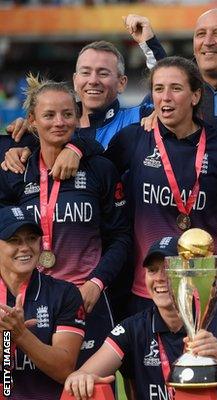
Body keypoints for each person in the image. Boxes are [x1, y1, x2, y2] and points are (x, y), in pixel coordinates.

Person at [0, 76, 131, 365]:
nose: (59, 122)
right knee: (26, 385)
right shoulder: (15, 169)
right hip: (30, 299)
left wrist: (96, 283)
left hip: (87, 296)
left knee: (91, 386)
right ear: (32, 121)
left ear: (77, 117)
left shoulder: (100, 169)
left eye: (67, 114)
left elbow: (120, 237)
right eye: (49, 115)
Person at [102, 56, 217, 316]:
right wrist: (73, 147)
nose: (166, 97)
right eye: (159, 89)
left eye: (176, 88)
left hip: (211, 284)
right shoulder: (134, 139)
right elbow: (96, 172)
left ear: (195, 96)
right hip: (152, 286)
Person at [63, 235, 217, 400]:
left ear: (188, 274)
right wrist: (80, 377)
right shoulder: (133, 327)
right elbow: (85, 373)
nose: (159, 278)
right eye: (152, 270)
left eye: (168, 269)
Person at [2, 15, 166, 178]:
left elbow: (167, 88)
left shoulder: (140, 118)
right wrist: (19, 148)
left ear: (121, 83)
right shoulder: (51, 128)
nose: (93, 80)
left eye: (103, 73)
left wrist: (148, 42)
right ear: (75, 80)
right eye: (86, 72)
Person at [0, 206, 85, 400]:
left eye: (31, 238)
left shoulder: (65, 293)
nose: (25, 247)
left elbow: (64, 369)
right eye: (14, 240)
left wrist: (21, 334)